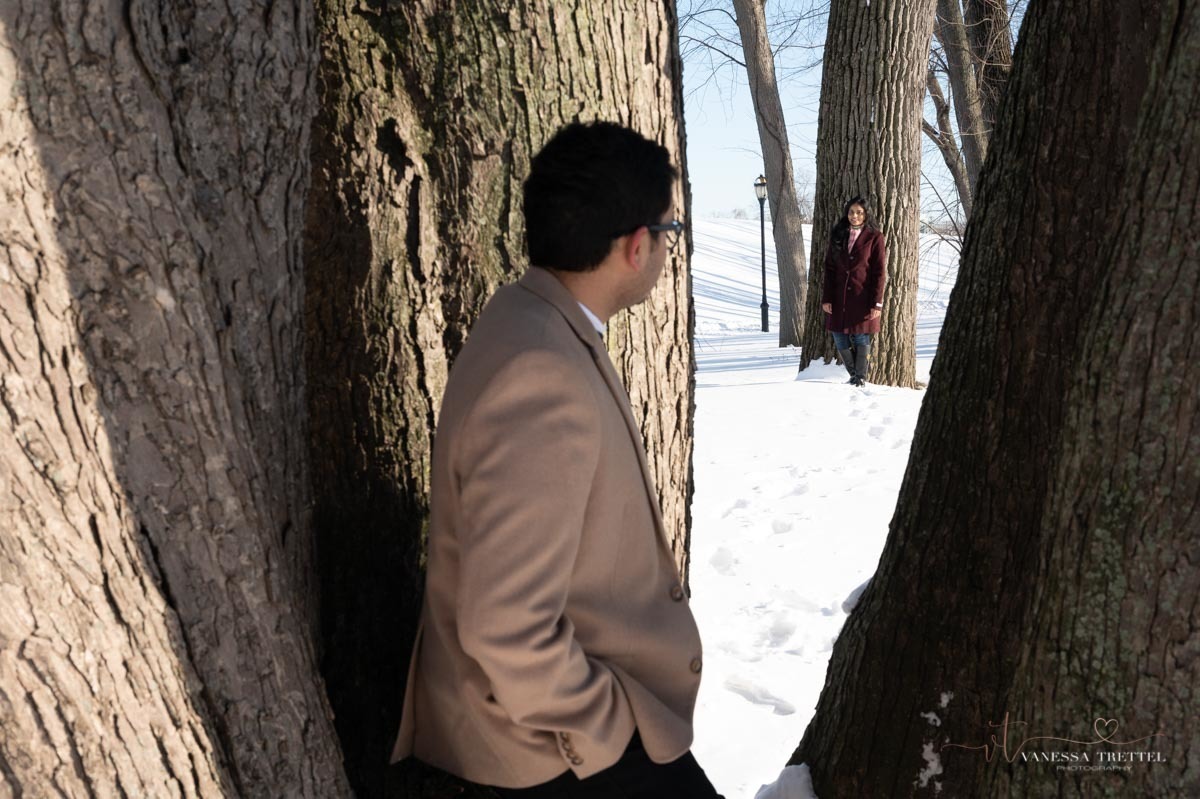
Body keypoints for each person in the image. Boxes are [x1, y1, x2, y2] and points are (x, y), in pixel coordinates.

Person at [390, 121, 723, 799]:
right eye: (669, 232)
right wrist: (609, 727)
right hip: (541, 752)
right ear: (637, 247)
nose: (667, 248)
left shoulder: (537, 321)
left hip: (549, 729)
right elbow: (506, 625)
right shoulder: (543, 370)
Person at [821, 196, 887, 386]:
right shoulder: (838, 234)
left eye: (859, 212)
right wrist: (827, 298)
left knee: (860, 335)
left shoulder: (875, 237)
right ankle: (855, 374)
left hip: (862, 297)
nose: (855, 216)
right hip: (838, 296)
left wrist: (877, 302)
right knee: (838, 335)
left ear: (865, 214)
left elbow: (879, 271)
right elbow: (829, 268)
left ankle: (860, 378)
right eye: (851, 212)